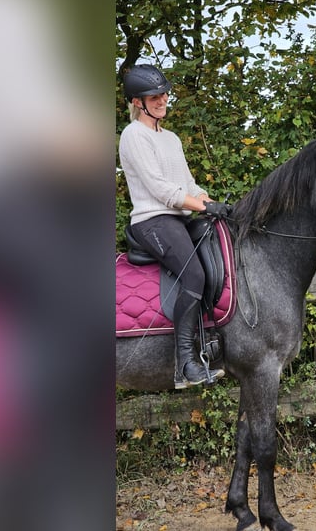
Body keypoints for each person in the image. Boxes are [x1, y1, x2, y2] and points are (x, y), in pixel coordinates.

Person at [119, 64, 228, 389]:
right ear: (138, 102)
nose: (163, 99)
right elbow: (160, 190)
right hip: (152, 221)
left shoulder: (171, 139)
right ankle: (185, 365)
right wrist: (203, 206)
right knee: (193, 274)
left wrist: (207, 200)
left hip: (179, 218)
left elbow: (187, 184)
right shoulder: (133, 136)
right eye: (155, 96)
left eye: (164, 93)